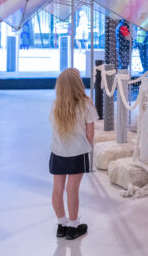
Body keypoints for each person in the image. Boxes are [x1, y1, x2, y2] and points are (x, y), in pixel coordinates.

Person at [49, 68, 98, 240]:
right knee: (72, 189)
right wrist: (87, 146)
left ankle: (61, 224)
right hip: (78, 152)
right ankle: (73, 226)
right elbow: (90, 134)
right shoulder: (86, 104)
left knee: (58, 188)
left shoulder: (56, 104)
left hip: (58, 151)